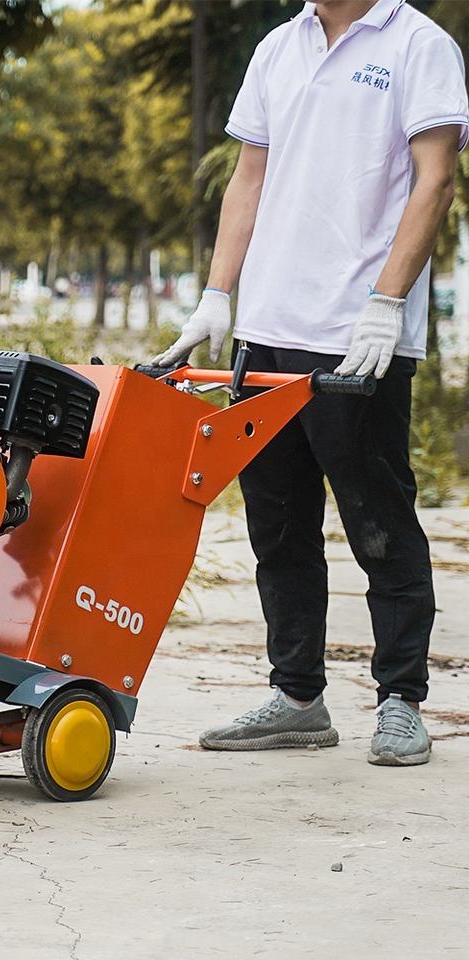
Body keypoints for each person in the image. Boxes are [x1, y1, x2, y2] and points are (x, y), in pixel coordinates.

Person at [152, 0, 468, 765]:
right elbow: (249, 177)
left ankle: (400, 702)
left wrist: (386, 303)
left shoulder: (418, 44)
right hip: (265, 331)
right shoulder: (278, 47)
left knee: (379, 523)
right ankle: (297, 698)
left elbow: (436, 179)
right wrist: (216, 297)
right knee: (278, 525)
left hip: (358, 338)